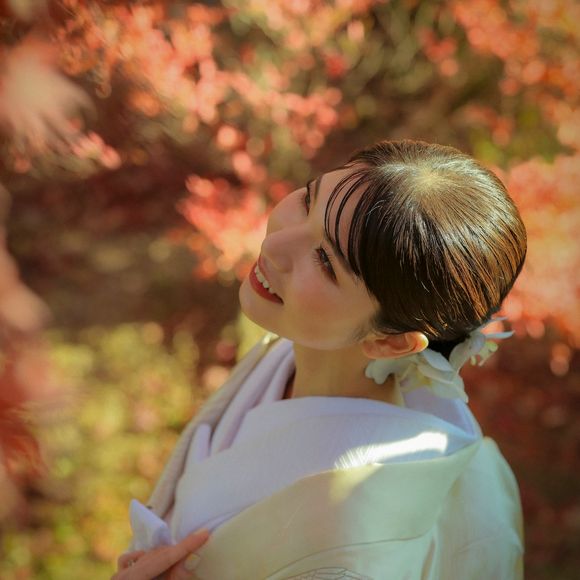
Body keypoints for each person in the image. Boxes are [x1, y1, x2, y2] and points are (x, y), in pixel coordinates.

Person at [113, 140, 527, 579]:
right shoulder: (287, 354)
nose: (275, 245)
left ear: (392, 343)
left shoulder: (355, 537)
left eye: (326, 262)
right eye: (308, 200)